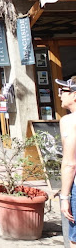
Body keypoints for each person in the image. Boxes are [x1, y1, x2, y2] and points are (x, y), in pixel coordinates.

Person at [58, 76, 76, 247]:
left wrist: (64, 197)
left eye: (63, 91)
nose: (59, 95)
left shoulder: (70, 121)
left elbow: (70, 163)